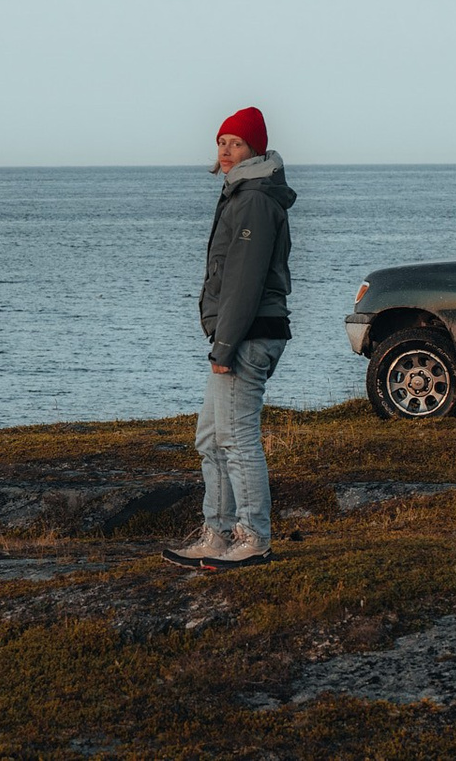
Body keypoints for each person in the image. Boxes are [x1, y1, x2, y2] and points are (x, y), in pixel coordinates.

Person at [162, 106, 296, 570]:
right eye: (221, 142)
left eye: (236, 143)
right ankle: (217, 534)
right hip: (236, 333)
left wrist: (224, 345)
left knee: (236, 439)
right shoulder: (239, 194)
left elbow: (244, 280)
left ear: (254, 151)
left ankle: (253, 538)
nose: (225, 150)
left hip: (248, 336)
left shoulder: (254, 199)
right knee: (211, 438)